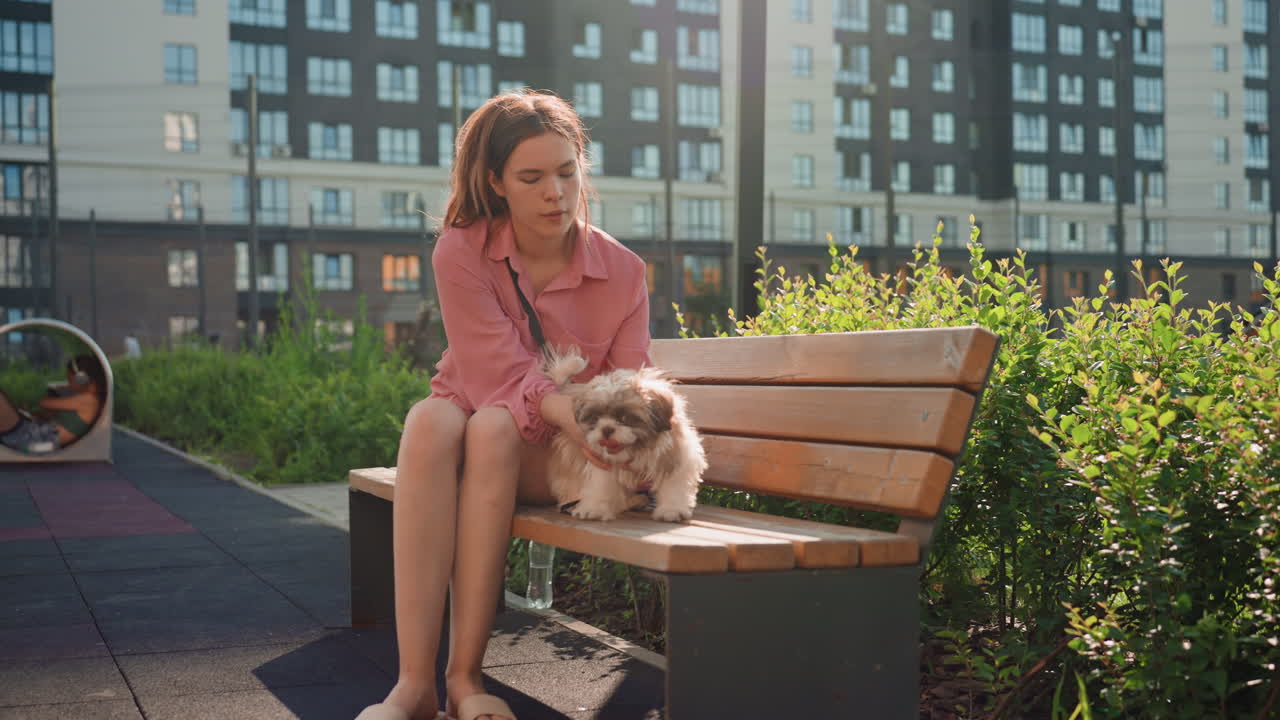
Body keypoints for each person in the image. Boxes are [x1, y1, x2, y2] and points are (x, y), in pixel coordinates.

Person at [356, 90, 651, 720]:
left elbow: (631, 390)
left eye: (567, 172)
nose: (556, 194)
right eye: (531, 178)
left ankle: (465, 679)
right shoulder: (462, 250)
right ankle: (414, 686)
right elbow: (495, 373)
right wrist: (565, 406)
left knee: (492, 428)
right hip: (483, 422)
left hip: (568, 456)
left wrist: (592, 427)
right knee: (430, 418)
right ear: (496, 182)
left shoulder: (624, 272)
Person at [0, 353, 107, 454]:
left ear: (81, 379)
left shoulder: (89, 400)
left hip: (40, 441)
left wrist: (21, 396)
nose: (69, 383)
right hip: (40, 434)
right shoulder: (90, 398)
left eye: (70, 379)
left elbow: (44, 403)